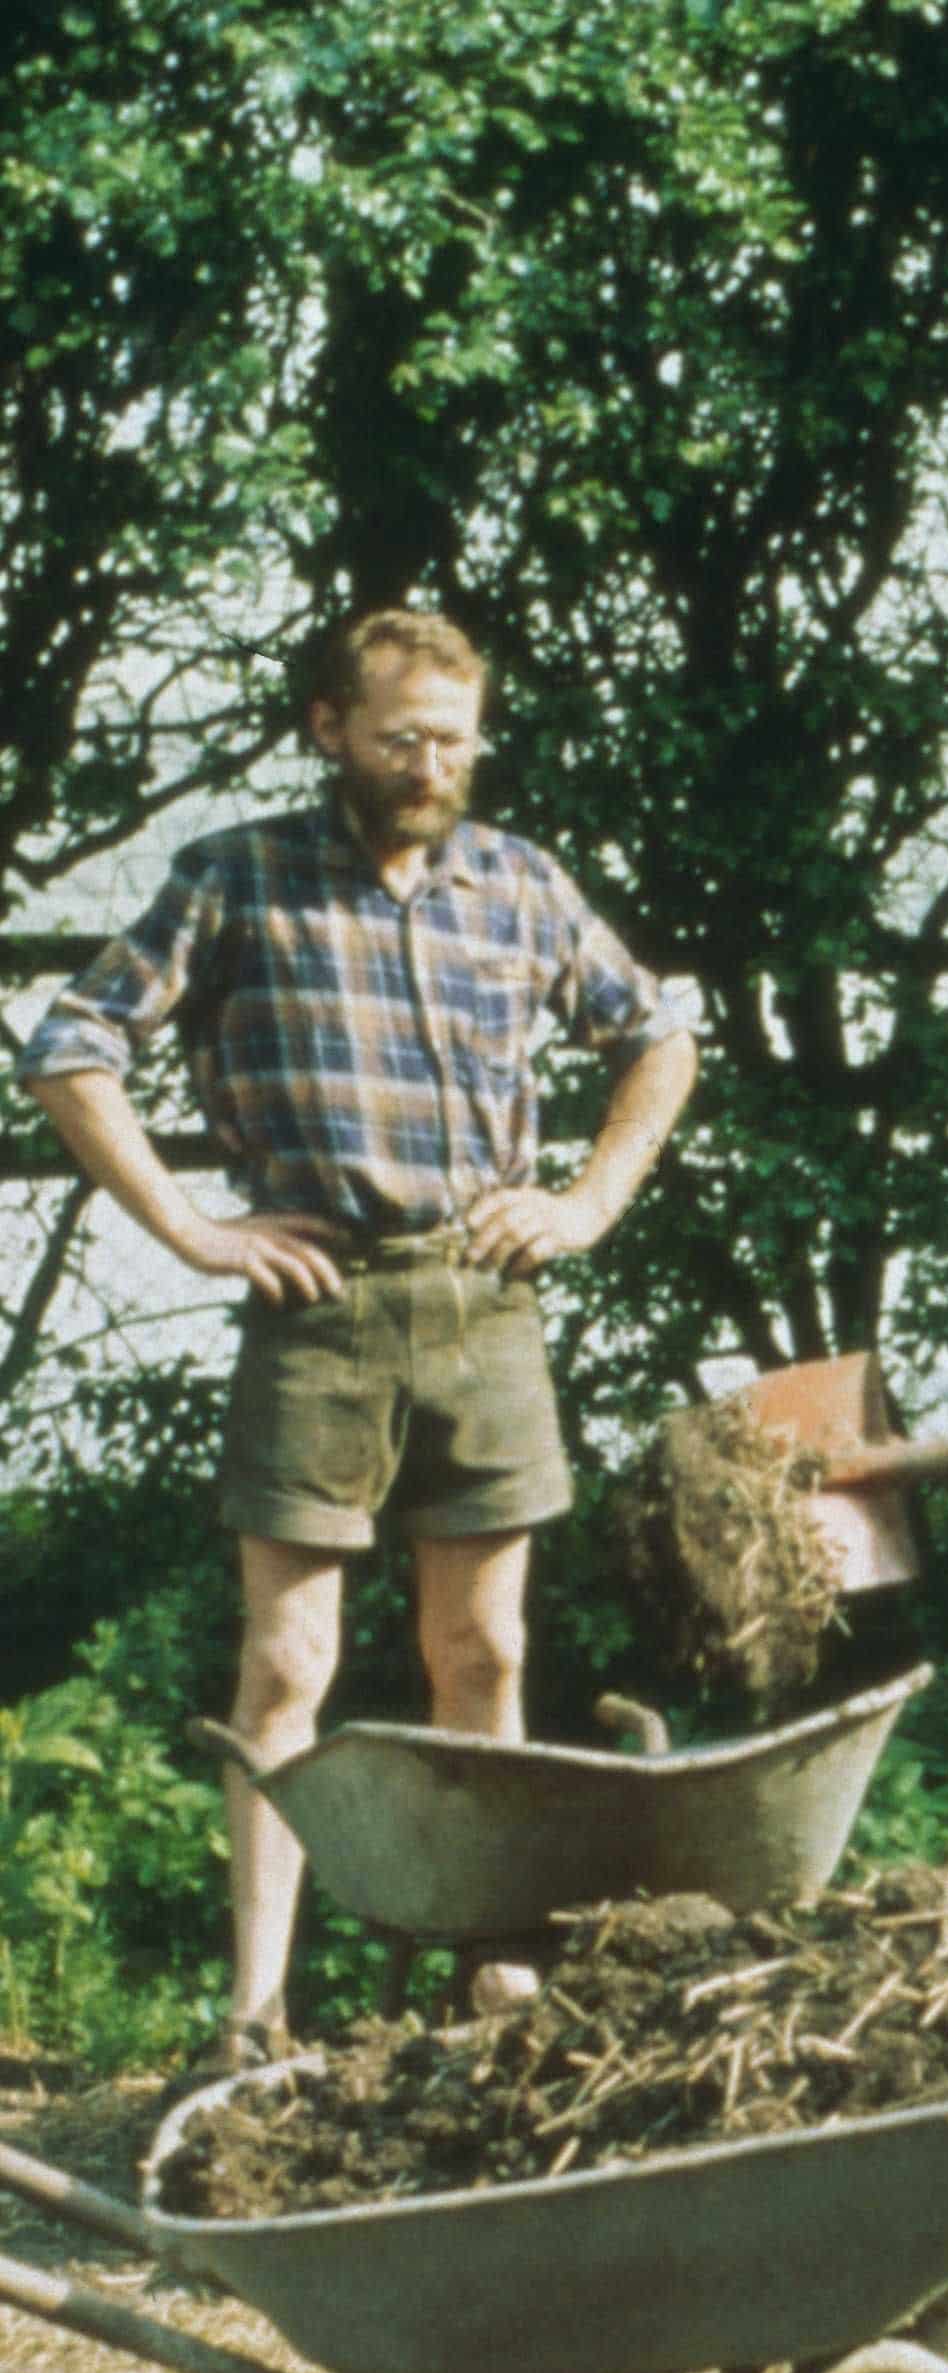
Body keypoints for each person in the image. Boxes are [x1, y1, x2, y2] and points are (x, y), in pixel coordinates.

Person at [19, 608, 700, 2066]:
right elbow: (71, 1048)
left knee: (487, 1650)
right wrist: (198, 1232)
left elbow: (657, 1034)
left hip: (482, 1305)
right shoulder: (238, 880)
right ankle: (255, 2012)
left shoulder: (519, 886)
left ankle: (495, 1981)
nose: (431, 764)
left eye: (455, 739)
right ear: (329, 727)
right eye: (401, 737)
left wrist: (584, 1201)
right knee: (286, 1664)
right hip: (316, 1316)